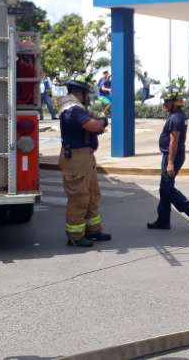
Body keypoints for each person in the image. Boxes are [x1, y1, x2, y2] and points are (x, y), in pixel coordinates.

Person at [59, 73, 111, 248]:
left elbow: (89, 121)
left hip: (85, 157)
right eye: (87, 93)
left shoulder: (77, 108)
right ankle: (75, 235)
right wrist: (103, 121)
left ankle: (93, 230)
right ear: (81, 92)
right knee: (79, 197)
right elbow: (93, 126)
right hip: (76, 158)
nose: (88, 96)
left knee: (92, 194)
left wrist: (96, 119)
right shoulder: (73, 109)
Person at [147, 86, 189, 232]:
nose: (164, 104)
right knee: (165, 189)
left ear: (174, 102)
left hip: (172, 156)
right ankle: (163, 221)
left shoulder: (176, 118)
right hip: (173, 155)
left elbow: (174, 141)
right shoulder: (179, 115)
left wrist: (170, 163)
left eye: (166, 101)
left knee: (166, 188)